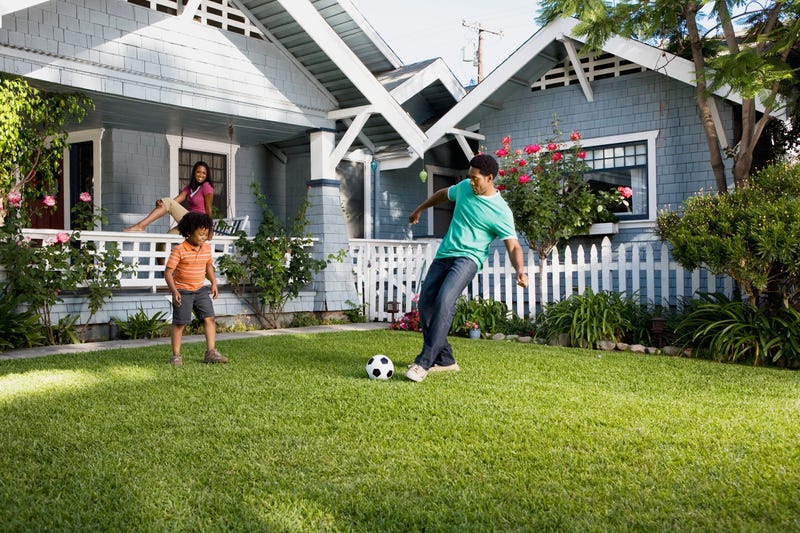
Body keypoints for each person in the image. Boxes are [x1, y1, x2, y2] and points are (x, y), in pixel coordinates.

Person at [405, 153, 528, 382]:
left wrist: (519, 269)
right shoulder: (464, 187)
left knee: (444, 301)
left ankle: (424, 362)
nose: (471, 182)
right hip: (444, 254)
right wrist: (420, 209)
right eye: (469, 178)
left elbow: (513, 247)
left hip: (468, 259)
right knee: (426, 305)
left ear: (490, 178)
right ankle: (446, 360)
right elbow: (443, 194)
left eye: (475, 179)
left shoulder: (501, 211)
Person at [164, 211, 227, 366]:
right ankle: (176, 355)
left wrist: (213, 282)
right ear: (189, 233)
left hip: (200, 289)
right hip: (183, 291)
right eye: (201, 235)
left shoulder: (206, 248)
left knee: (209, 318)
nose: (204, 237)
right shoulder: (179, 250)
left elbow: (208, 266)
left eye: (206, 234)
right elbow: (168, 272)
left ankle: (211, 352)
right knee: (180, 323)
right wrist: (174, 291)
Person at [124, 161, 214, 233]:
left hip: (198, 222)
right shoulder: (189, 188)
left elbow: (209, 209)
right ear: (194, 172)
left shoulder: (206, 186)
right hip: (189, 222)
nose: (201, 175)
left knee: (168, 201)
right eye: (198, 172)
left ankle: (140, 226)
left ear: (207, 175)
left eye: (204, 173)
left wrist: (210, 230)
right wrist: (162, 203)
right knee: (164, 243)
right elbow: (174, 202)